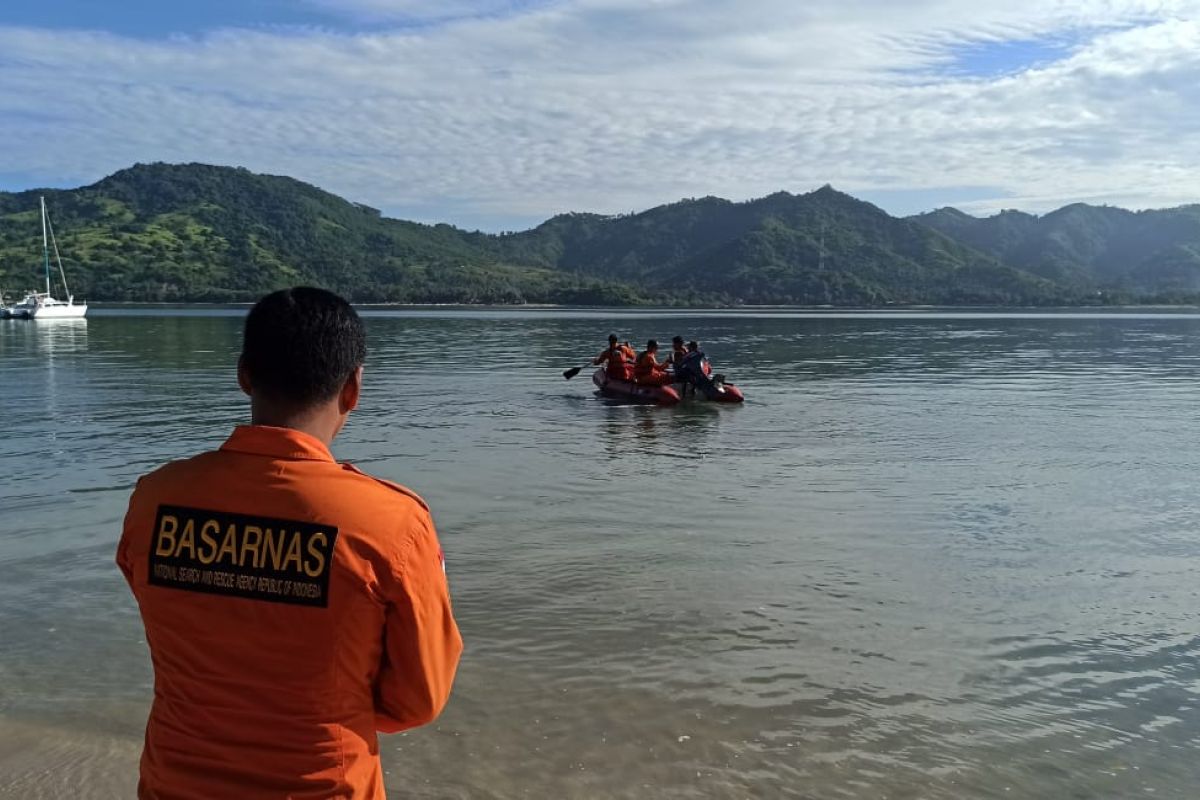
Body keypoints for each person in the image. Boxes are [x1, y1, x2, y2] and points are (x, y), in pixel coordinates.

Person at [116, 287, 463, 800]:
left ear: (244, 375)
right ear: (353, 388)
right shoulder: (389, 523)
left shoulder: (156, 500)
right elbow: (419, 700)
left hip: (174, 782)